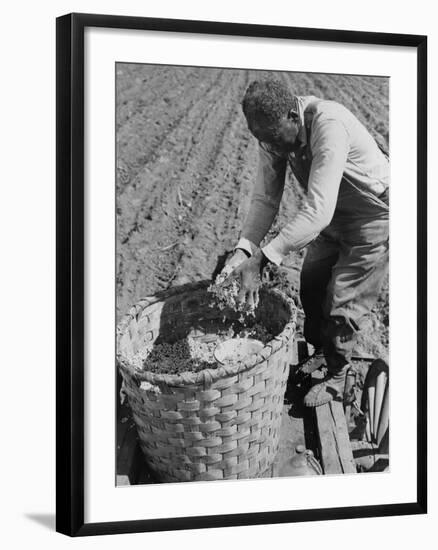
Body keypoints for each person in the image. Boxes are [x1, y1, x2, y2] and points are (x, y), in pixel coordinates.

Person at [223, 78, 389, 408]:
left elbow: (317, 208)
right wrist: (243, 249)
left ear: (291, 116)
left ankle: (340, 377)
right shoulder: (272, 137)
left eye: (273, 138)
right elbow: (265, 198)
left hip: (371, 219)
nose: (271, 147)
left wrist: (262, 260)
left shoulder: (328, 124)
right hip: (331, 218)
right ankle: (321, 354)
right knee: (311, 285)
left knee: (343, 300)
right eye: (262, 140)